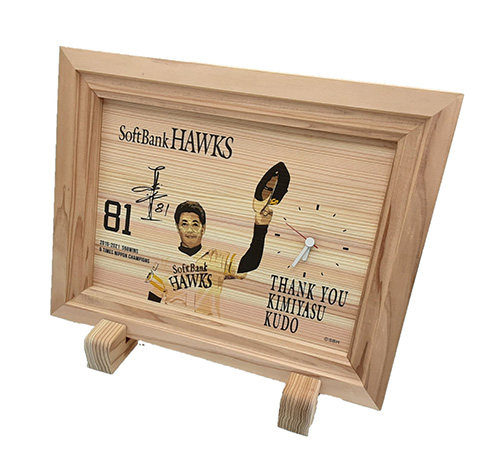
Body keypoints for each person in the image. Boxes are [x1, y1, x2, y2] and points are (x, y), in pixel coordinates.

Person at [146, 199, 273, 316]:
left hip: (208, 327)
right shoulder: (165, 262)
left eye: (195, 224)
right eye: (184, 224)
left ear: (203, 228)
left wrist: (260, 227)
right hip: (174, 325)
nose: (190, 230)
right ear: (178, 227)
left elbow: (250, 264)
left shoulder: (218, 257)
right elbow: (152, 300)